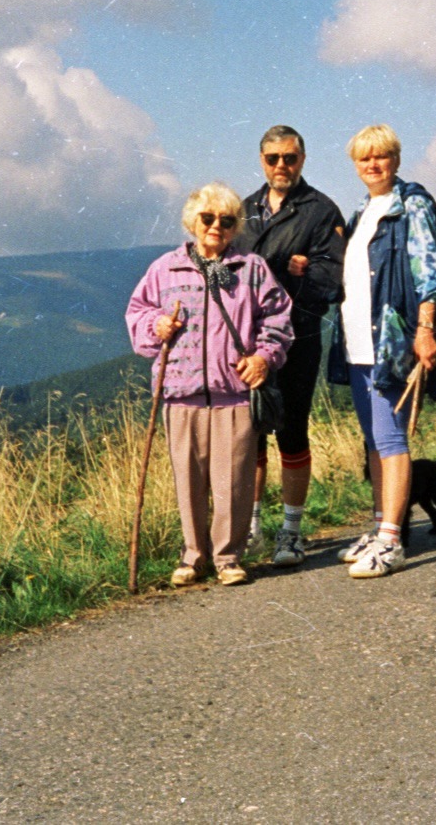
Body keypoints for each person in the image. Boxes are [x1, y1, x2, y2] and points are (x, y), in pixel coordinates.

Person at [126, 183, 293, 587]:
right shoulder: (164, 269)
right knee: (188, 479)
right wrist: (156, 324)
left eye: (226, 220)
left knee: (233, 481)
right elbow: (137, 312)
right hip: (180, 394)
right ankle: (193, 556)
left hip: (234, 392)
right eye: (207, 218)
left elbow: (278, 319)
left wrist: (263, 358)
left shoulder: (251, 269)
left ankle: (228, 557)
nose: (215, 226)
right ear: (192, 221)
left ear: (236, 227)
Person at [327, 124, 436, 578]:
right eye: (364, 158)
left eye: (381, 156)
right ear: (355, 165)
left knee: (390, 438)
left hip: (392, 341)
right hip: (357, 341)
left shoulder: (413, 205)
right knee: (372, 439)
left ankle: (392, 540)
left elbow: (432, 273)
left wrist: (425, 331)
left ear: (396, 159)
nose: (373, 164)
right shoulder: (364, 210)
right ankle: (380, 526)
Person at [239, 125, 345, 568]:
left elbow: (337, 278)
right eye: (273, 158)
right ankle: (252, 530)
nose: (281, 166)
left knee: (292, 432)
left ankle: (292, 532)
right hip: (248, 343)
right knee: (250, 436)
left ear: (303, 159)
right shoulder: (243, 211)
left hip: (297, 339)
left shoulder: (321, 210)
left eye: (290, 158)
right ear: (261, 161)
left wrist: (306, 272)